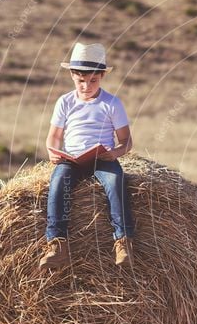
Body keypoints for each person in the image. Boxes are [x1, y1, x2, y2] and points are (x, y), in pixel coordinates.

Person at [39, 42, 135, 270]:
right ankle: (57, 244)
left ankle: (123, 242)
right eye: (81, 81)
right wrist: (53, 152)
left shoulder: (111, 103)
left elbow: (127, 140)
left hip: (102, 159)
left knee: (114, 182)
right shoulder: (65, 102)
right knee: (58, 182)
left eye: (93, 81)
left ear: (102, 76)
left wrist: (116, 153)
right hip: (71, 158)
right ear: (72, 76)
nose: (86, 86)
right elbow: (53, 137)